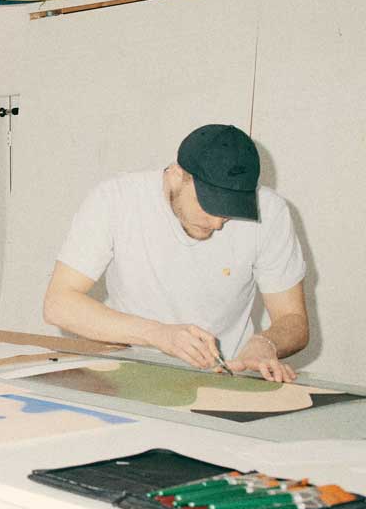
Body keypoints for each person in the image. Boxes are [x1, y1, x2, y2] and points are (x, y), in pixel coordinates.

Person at [42, 124, 308, 383]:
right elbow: (59, 304)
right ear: (176, 175)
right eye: (208, 206)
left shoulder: (270, 212)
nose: (217, 224)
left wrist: (265, 344)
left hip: (226, 378)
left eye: (229, 211)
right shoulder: (117, 199)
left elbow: (293, 319)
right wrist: (158, 334)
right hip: (130, 372)